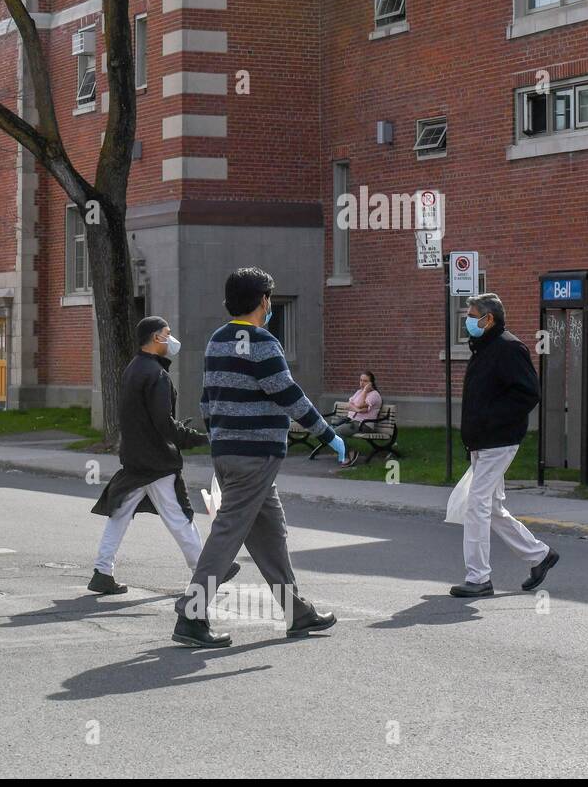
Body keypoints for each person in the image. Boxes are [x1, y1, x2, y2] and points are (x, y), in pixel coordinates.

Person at [172, 267, 343, 648]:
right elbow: (288, 394)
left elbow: (207, 399)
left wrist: (218, 437)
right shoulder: (264, 342)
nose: (270, 306)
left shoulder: (218, 340)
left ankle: (297, 612)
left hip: (229, 453)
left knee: (270, 533)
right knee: (229, 531)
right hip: (256, 454)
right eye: (269, 299)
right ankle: (192, 611)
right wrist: (326, 432)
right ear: (264, 300)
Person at [87, 316, 240, 594]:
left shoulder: (133, 369)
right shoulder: (155, 375)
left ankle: (102, 571)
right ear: (156, 338)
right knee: (179, 516)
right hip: (157, 461)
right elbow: (164, 423)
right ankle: (208, 571)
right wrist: (200, 439)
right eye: (167, 333)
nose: (171, 339)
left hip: (136, 458)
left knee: (119, 514)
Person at [450, 293, 558, 598]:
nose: (468, 321)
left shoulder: (509, 348)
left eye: (472, 315)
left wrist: (489, 420)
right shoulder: (483, 348)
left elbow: (528, 393)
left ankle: (479, 577)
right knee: (492, 507)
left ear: (489, 319)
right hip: (482, 441)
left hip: (499, 441)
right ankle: (540, 556)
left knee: (477, 505)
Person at [325, 370, 382, 466]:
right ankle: (347, 452)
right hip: (351, 420)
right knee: (327, 432)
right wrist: (358, 409)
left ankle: (350, 454)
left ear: (371, 383)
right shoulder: (358, 392)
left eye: (365, 381)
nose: (362, 383)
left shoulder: (374, 395)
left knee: (335, 433)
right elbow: (349, 405)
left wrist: (364, 393)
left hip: (363, 424)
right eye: (361, 380)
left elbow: (359, 404)